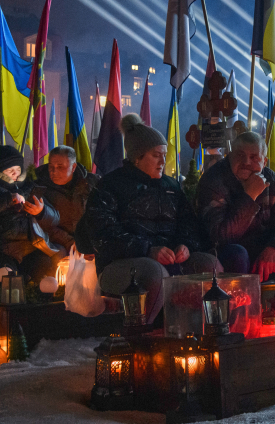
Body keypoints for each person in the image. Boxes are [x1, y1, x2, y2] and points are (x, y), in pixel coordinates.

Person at [76, 114, 217, 324]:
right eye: (156, 155)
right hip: (119, 265)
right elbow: (104, 234)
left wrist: (185, 245)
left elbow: (188, 223)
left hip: (170, 260)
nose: (163, 161)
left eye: (164, 155)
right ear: (137, 157)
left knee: (209, 265)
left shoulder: (171, 187)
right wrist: (148, 250)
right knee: (154, 272)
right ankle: (141, 334)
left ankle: (202, 330)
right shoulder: (110, 186)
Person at [196, 132, 275, 308]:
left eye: (254, 157)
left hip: (262, 254)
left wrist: (274, 248)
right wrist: (249, 196)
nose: (246, 162)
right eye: (240, 155)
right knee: (238, 254)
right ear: (230, 156)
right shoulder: (213, 181)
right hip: (224, 254)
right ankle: (242, 315)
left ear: (264, 162)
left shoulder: (272, 180)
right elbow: (221, 236)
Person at [0, 145, 63, 283]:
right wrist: (7, 200)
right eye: (10, 171)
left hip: (27, 248)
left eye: (18, 169)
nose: (16, 174)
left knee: (47, 268)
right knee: (6, 277)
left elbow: (55, 219)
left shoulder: (29, 186)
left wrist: (41, 212)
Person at [32, 145, 99, 251]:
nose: (54, 171)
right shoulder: (39, 188)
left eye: (60, 167)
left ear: (73, 167)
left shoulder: (92, 183)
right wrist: (70, 243)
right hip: (57, 247)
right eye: (51, 166)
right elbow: (43, 225)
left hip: (90, 243)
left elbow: (100, 215)